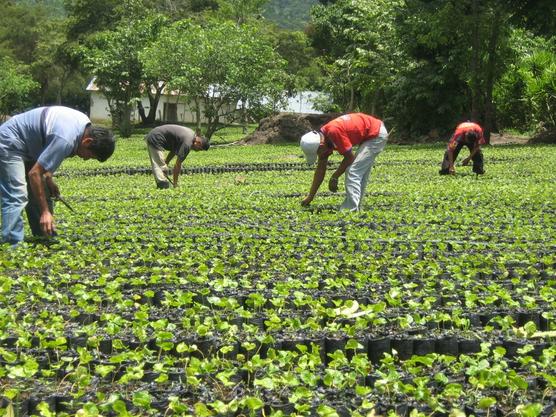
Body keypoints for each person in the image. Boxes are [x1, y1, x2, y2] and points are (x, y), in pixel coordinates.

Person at [0, 106, 115, 245]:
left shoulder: (84, 126)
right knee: (16, 193)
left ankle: (45, 237)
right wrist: (45, 211)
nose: (85, 159)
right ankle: (12, 244)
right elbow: (34, 173)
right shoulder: (66, 138)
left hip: (30, 146)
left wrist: (48, 178)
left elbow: (48, 151)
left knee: (44, 190)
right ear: (87, 141)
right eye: (89, 156)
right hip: (10, 141)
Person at [300, 113, 388, 211]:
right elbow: (320, 170)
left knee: (353, 171)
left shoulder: (333, 132)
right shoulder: (323, 140)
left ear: (320, 145)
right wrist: (310, 196)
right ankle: (356, 207)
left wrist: (335, 177)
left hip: (376, 134)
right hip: (370, 134)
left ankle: (350, 211)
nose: (319, 155)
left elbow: (350, 158)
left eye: (318, 152)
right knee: (359, 173)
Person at [145, 125, 210, 189]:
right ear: (198, 143)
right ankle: (162, 186)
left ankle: (163, 185)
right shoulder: (187, 143)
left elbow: (174, 150)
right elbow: (177, 165)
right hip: (156, 138)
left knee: (162, 166)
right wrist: (175, 184)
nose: (197, 151)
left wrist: (167, 162)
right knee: (160, 166)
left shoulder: (191, 136)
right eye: (199, 149)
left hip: (156, 135)